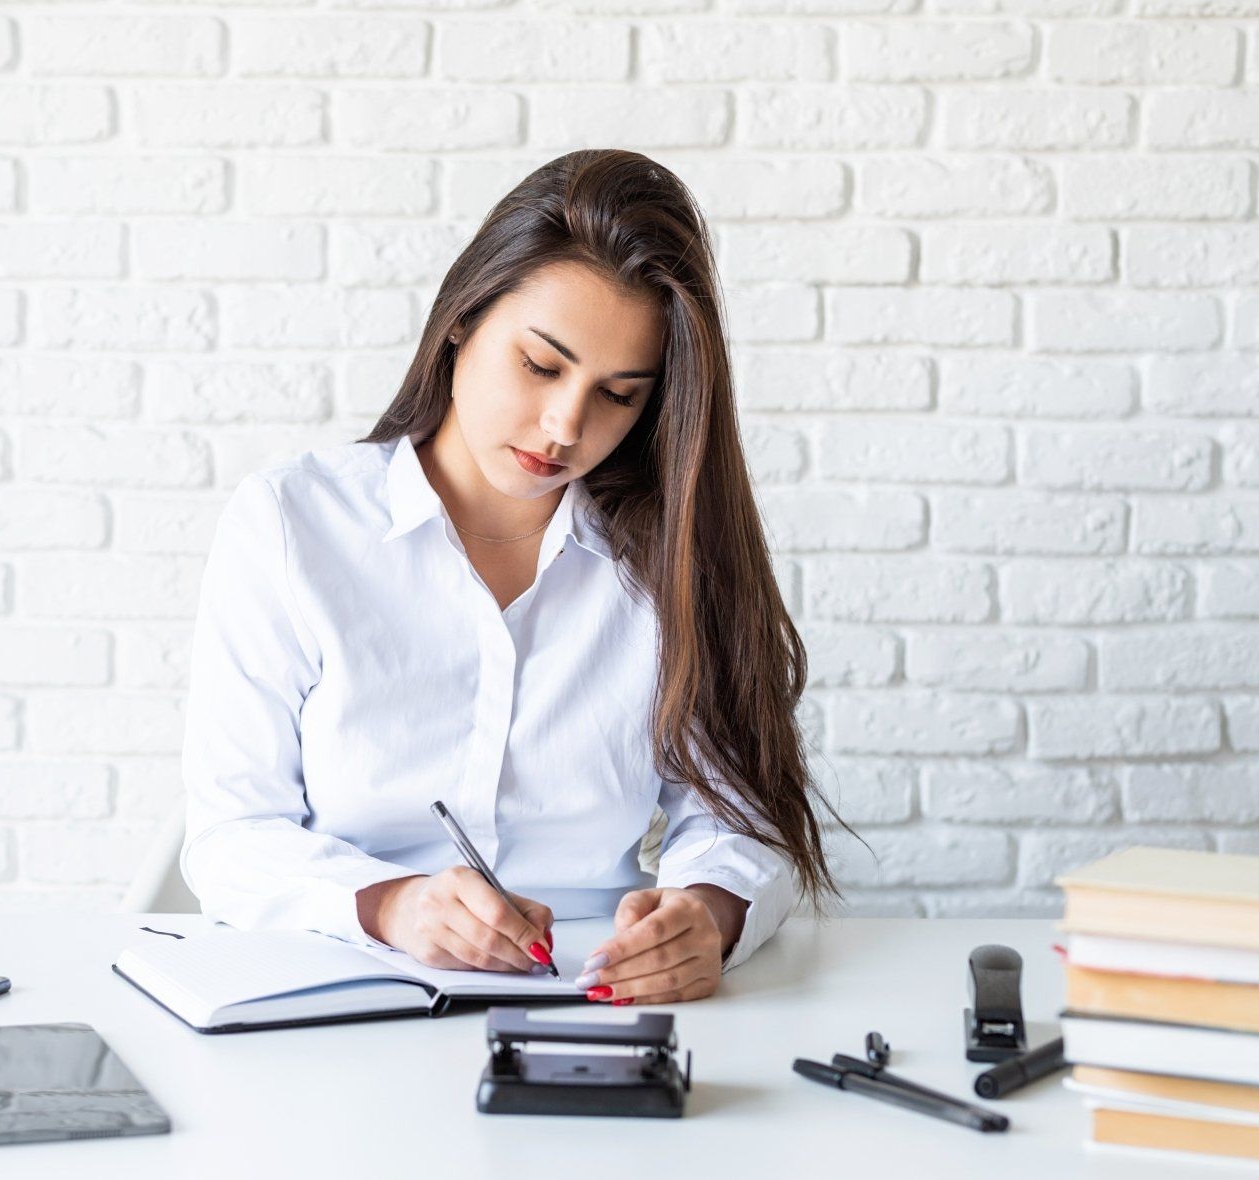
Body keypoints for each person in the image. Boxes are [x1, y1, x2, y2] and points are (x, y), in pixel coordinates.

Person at [180, 148, 848, 1006]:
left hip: (595, 996)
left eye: (621, 394)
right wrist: (392, 905)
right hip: (344, 991)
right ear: (462, 321)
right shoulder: (292, 526)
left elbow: (739, 817)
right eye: (540, 366)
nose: (566, 425)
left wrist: (705, 915)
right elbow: (232, 836)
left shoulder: (667, 558)